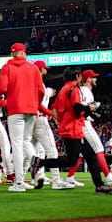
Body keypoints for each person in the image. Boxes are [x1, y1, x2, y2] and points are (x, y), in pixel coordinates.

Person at [38, 68, 112, 195]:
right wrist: (89, 108)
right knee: (74, 160)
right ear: (77, 76)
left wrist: (60, 122)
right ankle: (40, 162)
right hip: (74, 129)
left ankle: (100, 186)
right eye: (80, 76)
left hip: (68, 128)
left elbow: (54, 109)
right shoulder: (73, 89)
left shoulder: (64, 89)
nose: (81, 79)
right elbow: (76, 107)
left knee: (87, 157)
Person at [0, 43, 44, 192]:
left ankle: (19, 182)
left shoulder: (7, 67)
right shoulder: (34, 68)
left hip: (15, 109)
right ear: (24, 53)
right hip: (31, 109)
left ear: (12, 54)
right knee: (26, 141)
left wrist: (1, 96)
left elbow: (2, 89)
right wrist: (36, 105)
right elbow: (41, 90)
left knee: (17, 145)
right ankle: (37, 169)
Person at [71, 69, 112, 186]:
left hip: (81, 122)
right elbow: (82, 109)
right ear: (88, 79)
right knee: (99, 148)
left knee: (80, 153)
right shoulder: (86, 90)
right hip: (84, 123)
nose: (96, 79)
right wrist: (93, 109)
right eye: (93, 77)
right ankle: (108, 176)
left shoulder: (84, 90)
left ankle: (70, 177)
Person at [31, 61, 73, 190]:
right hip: (40, 119)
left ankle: (36, 177)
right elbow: (38, 104)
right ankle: (56, 181)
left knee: (33, 151)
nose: (46, 71)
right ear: (40, 69)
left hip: (30, 119)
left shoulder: (31, 82)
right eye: (44, 69)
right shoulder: (38, 83)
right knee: (51, 150)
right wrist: (51, 113)